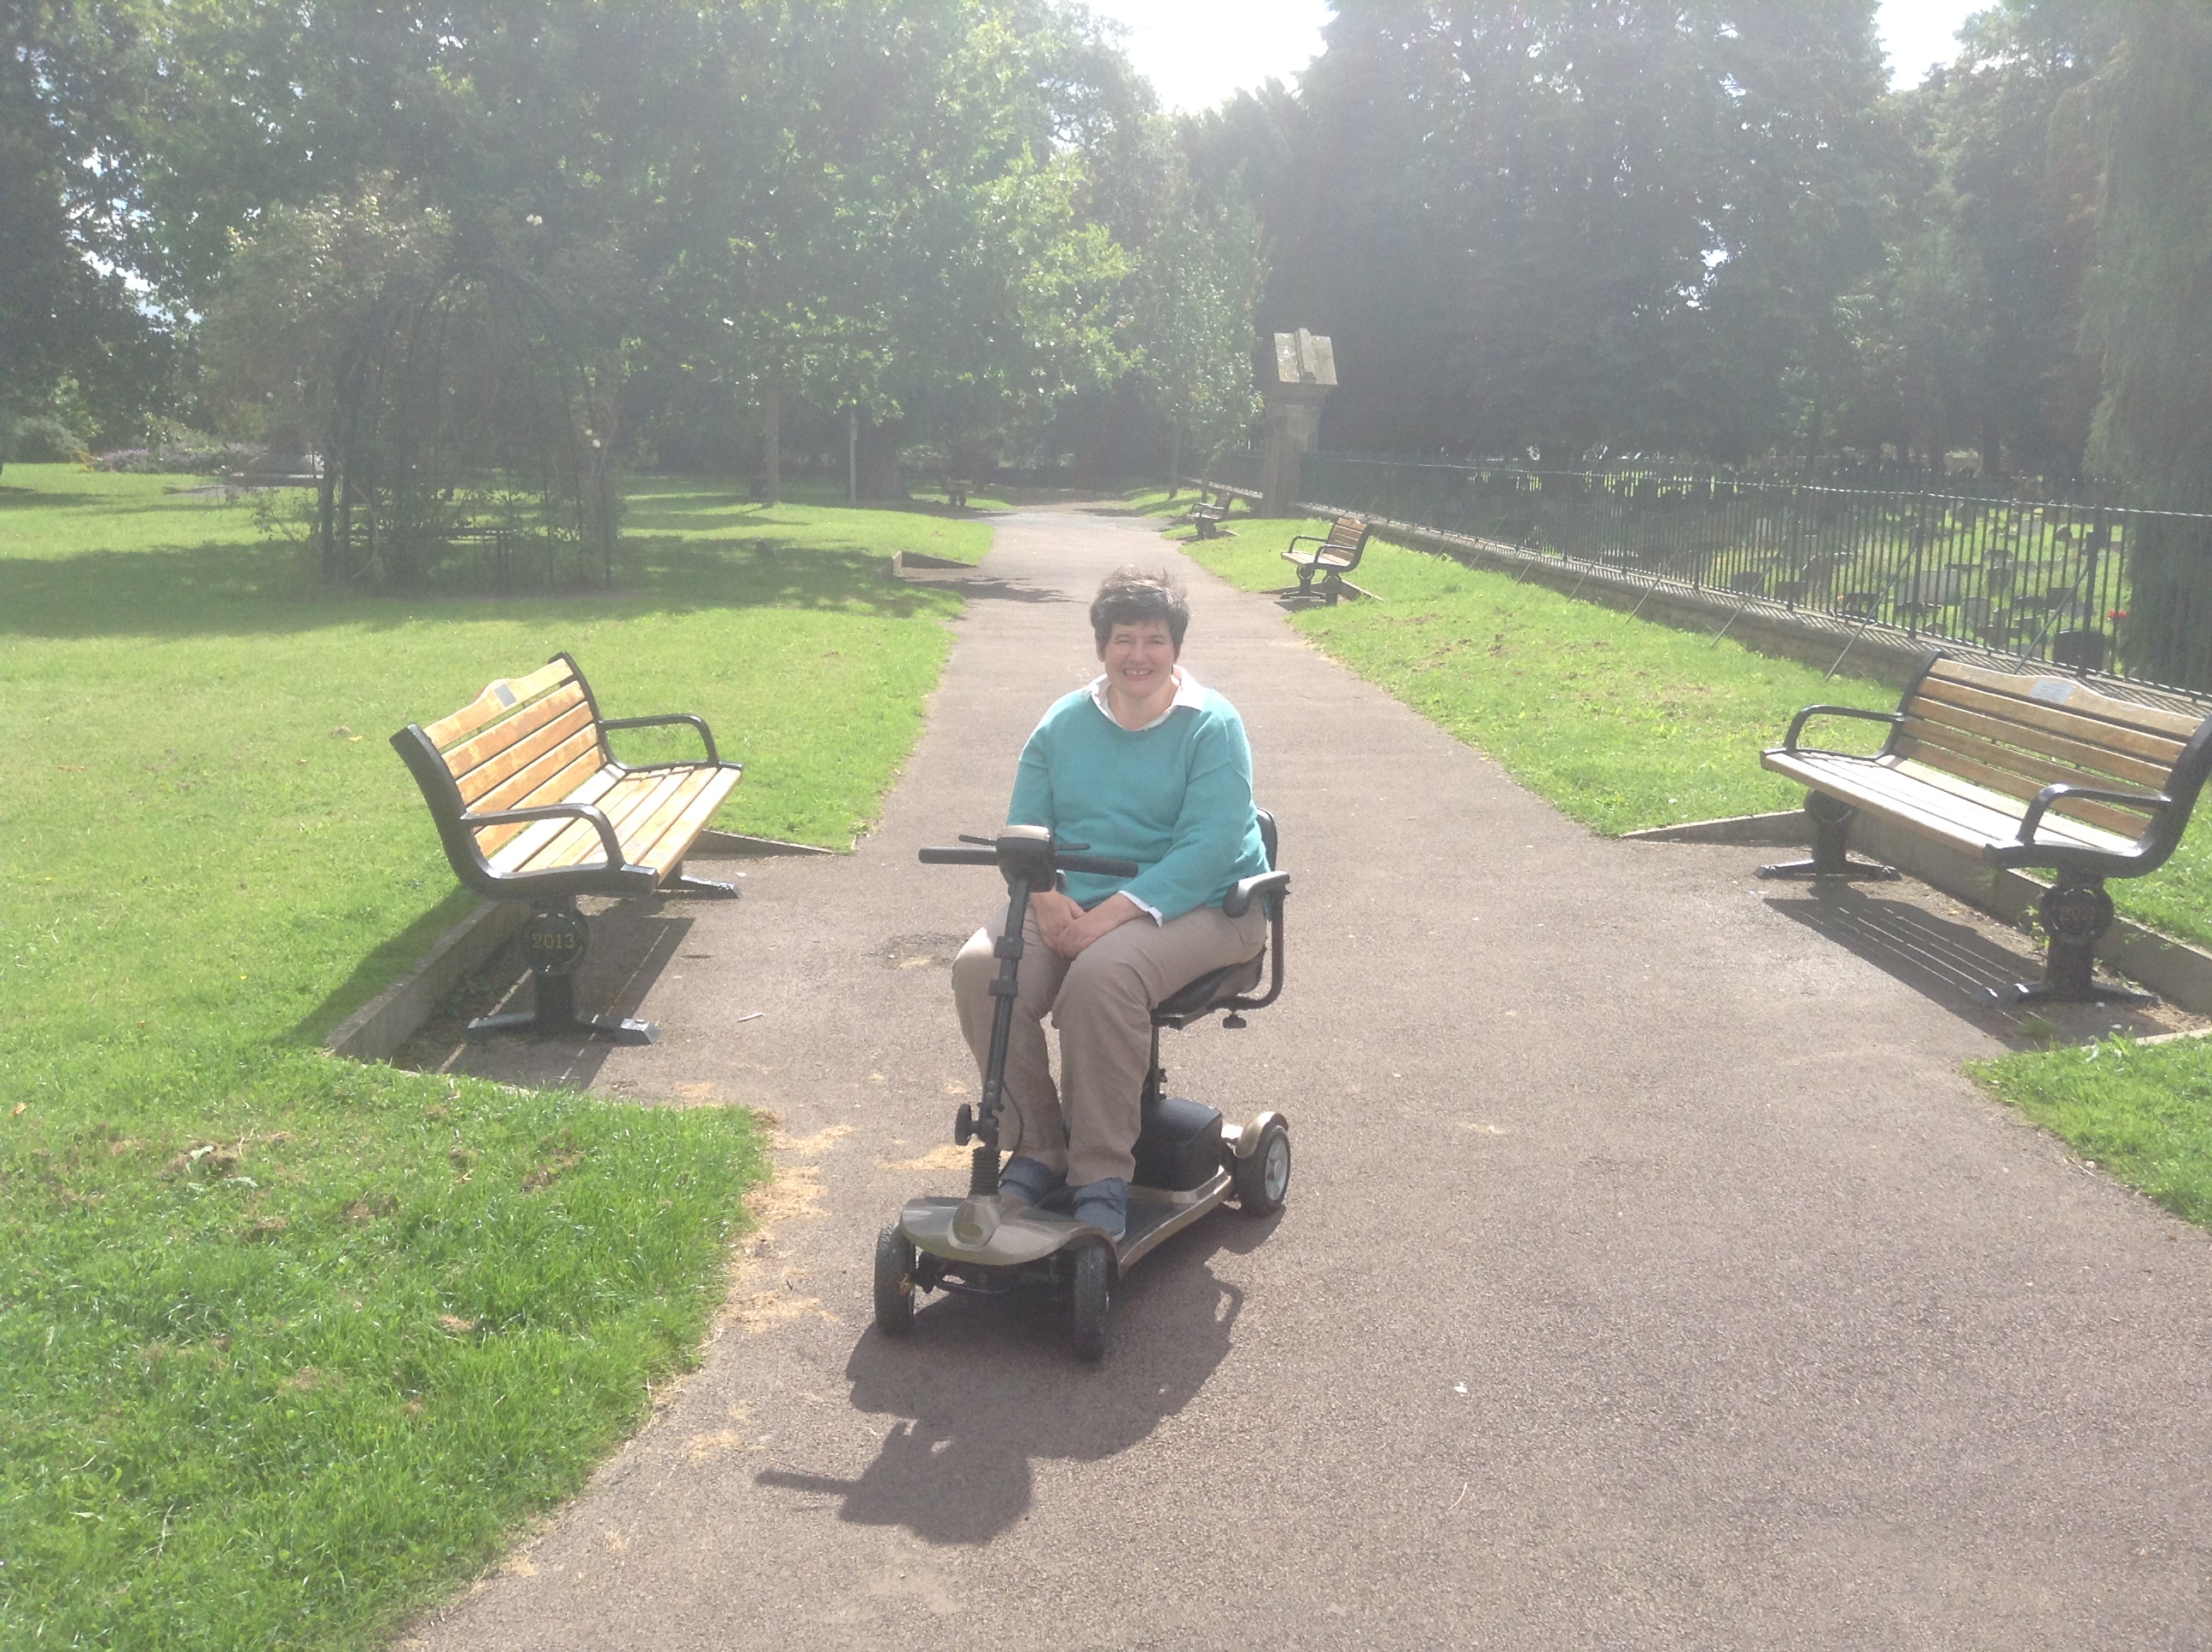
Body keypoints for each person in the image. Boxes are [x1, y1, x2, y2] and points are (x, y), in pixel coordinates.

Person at [952, 566, 1272, 1240]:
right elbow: (1026, 830)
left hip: (1210, 907)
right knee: (982, 968)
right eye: (1124, 639)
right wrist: (1043, 897)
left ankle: (1099, 1174)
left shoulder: (1212, 726)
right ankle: (1038, 1146)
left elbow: (1210, 849)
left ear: (1175, 648)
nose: (1138, 656)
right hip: (1075, 901)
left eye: (1154, 640)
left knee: (1103, 977)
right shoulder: (1063, 723)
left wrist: (1111, 914)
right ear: (1102, 647)